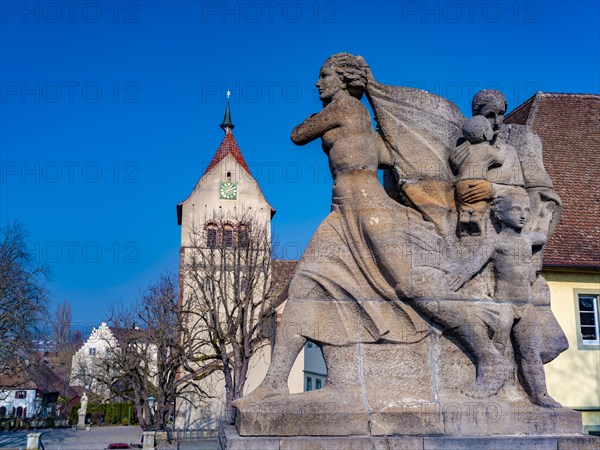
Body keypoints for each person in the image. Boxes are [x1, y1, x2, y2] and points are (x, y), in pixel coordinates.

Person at [237, 53, 512, 404]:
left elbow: (297, 134)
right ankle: (275, 381)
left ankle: (490, 359)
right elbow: (378, 154)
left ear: (345, 80)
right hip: (343, 212)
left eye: (324, 76)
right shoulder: (359, 120)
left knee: (414, 286)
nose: (317, 83)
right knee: (305, 282)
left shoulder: (345, 108)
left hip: (370, 211)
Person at [454, 188, 560, 406]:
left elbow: (543, 233)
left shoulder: (529, 239)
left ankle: (540, 395)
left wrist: (545, 213)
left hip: (526, 306)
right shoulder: (496, 242)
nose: (523, 215)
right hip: (505, 306)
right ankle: (490, 388)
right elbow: (474, 265)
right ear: (500, 214)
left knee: (531, 352)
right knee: (498, 348)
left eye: (526, 210)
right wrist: (458, 279)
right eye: (516, 210)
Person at [455, 115, 503, 235]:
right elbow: (500, 160)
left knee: (464, 205)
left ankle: (464, 217)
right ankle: (476, 218)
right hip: (479, 182)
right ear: (485, 134)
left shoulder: (465, 149)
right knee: (479, 205)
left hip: (461, 183)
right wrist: (499, 148)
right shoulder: (487, 149)